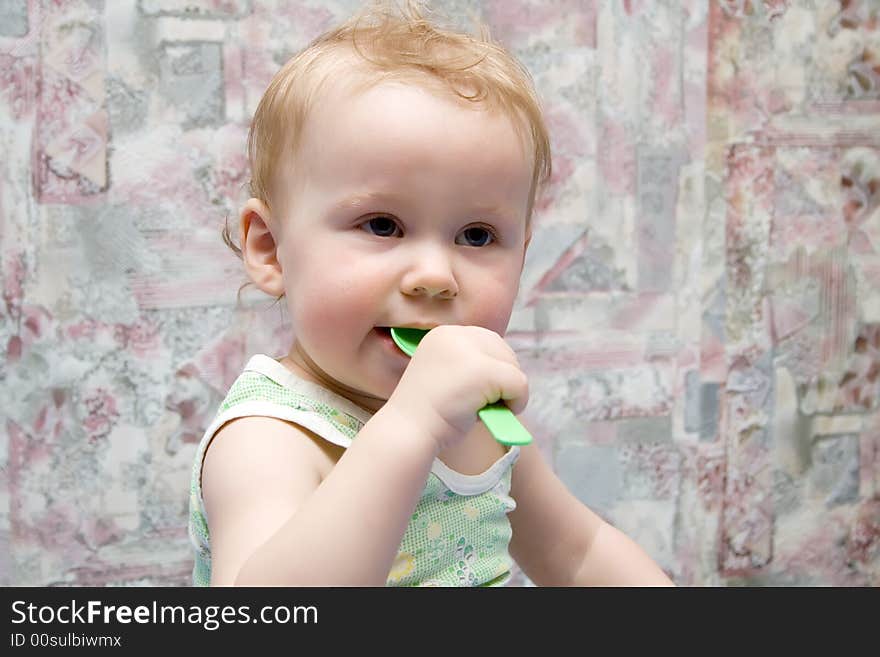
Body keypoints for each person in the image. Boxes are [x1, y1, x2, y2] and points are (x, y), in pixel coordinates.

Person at [187, 0, 674, 587]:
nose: (436, 276)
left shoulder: (481, 422)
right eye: (383, 225)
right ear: (270, 249)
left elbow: (577, 551)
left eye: (476, 235)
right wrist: (411, 428)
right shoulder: (269, 436)